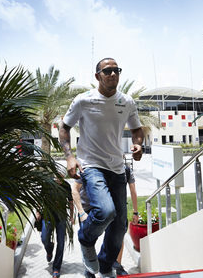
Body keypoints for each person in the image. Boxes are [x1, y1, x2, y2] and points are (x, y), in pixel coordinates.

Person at [59, 58, 144, 278]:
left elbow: (137, 129)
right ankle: (86, 239)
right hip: (91, 165)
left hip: (117, 168)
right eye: (108, 71)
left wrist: (139, 144)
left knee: (119, 228)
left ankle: (105, 266)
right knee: (106, 212)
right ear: (97, 76)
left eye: (116, 70)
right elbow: (64, 127)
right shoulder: (83, 100)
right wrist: (69, 157)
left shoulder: (127, 101)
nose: (113, 74)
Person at [72, 160, 139, 276]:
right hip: (87, 209)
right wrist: (81, 213)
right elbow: (75, 189)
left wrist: (135, 212)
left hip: (111, 208)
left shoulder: (125, 169)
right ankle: (89, 270)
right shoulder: (88, 167)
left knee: (117, 233)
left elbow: (133, 190)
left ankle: (111, 264)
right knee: (90, 241)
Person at [40, 178, 74, 278]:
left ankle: (56, 268)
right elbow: (40, 198)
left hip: (61, 217)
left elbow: (71, 201)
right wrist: (38, 211)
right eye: (57, 176)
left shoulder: (66, 185)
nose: (59, 179)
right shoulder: (47, 183)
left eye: (61, 177)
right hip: (48, 216)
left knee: (61, 242)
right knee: (44, 238)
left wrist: (71, 216)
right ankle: (49, 249)